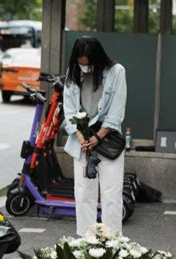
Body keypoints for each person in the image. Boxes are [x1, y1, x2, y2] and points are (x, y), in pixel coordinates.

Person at [63, 36, 127, 237]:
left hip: (106, 140)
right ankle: (85, 241)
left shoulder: (117, 72)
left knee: (111, 193)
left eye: (87, 63)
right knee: (83, 194)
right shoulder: (72, 74)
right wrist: (81, 137)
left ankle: (112, 242)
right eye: (80, 62)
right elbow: (70, 110)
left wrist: (98, 137)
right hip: (82, 140)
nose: (84, 67)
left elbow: (116, 111)